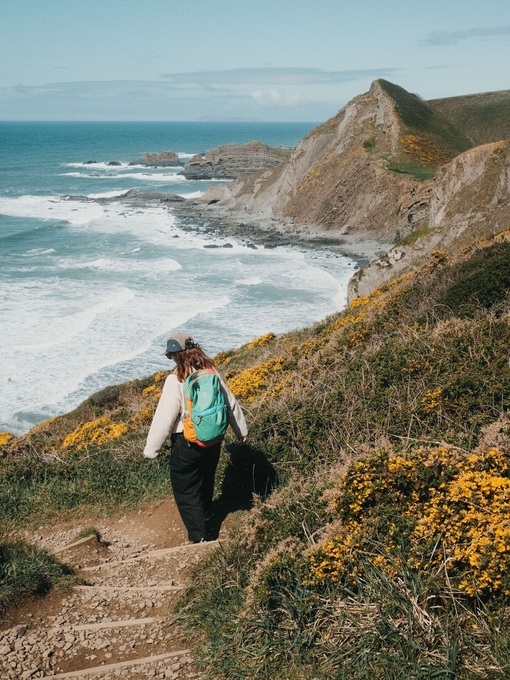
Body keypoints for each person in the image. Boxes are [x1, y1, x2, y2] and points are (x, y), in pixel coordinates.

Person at [144, 332, 248, 543]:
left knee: (186, 489)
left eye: (170, 356)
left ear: (175, 356)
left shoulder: (176, 380)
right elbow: (230, 404)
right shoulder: (211, 372)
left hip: (187, 441)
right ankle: (207, 518)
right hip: (214, 439)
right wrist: (242, 432)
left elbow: (164, 418)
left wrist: (151, 449)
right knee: (205, 480)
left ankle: (200, 538)